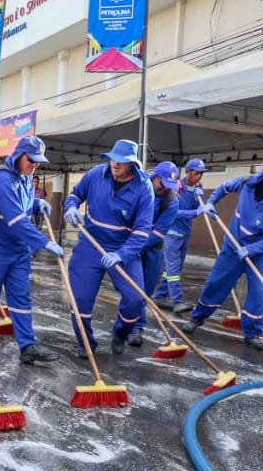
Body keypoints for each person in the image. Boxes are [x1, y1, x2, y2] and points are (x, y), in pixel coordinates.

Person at [0, 135, 63, 364]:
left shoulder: (25, 178)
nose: (35, 165)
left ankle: (27, 345)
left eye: (38, 161)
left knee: (21, 297)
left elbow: (21, 205)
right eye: (31, 159)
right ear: (19, 155)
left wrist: (36, 203)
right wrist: (43, 242)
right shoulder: (3, 179)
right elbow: (16, 218)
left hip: (19, 250)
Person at [180, 161, 263, 351]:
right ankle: (197, 318)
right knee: (217, 282)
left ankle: (252, 333)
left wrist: (253, 249)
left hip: (258, 252)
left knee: (258, 292)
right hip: (233, 245)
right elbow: (223, 188)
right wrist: (210, 203)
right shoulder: (246, 182)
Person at [62, 139, 153, 356]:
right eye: (113, 160)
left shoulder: (144, 188)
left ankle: (121, 333)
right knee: (80, 299)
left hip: (124, 247)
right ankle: (86, 343)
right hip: (90, 243)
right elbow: (75, 195)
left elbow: (142, 231)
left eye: (121, 161)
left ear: (132, 163)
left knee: (135, 298)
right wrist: (71, 207)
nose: (115, 165)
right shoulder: (95, 175)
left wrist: (122, 254)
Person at [130, 161, 181, 346]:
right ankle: (135, 328)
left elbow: (158, 233)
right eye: (163, 184)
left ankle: (133, 323)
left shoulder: (172, 201)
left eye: (169, 186)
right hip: (129, 244)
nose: (165, 189)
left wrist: (135, 245)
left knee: (146, 290)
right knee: (133, 289)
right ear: (155, 177)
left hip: (152, 248)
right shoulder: (138, 189)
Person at [154, 157, 208, 313]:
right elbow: (174, 213)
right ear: (189, 172)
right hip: (172, 232)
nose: (199, 177)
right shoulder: (177, 186)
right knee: (173, 267)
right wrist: (195, 211)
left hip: (185, 232)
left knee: (176, 267)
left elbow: (199, 208)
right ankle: (177, 300)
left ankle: (160, 296)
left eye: (201, 174)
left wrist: (200, 201)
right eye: (196, 173)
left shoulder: (198, 186)